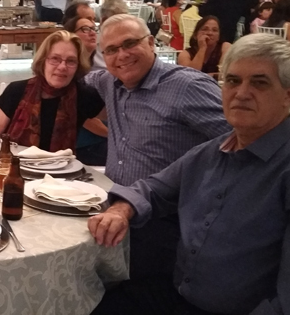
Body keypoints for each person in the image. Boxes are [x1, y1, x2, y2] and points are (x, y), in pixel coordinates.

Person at [82, 33, 290, 315]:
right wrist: (122, 208)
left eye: (259, 82)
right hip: (183, 302)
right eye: (232, 81)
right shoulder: (214, 150)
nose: (241, 92)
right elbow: (155, 187)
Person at [85, 14, 231, 278]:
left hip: (167, 223)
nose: (122, 55)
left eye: (130, 44)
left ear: (151, 43)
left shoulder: (187, 86)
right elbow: (67, 81)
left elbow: (240, 139)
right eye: (112, 50)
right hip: (116, 211)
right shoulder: (110, 82)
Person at [0, 30, 104, 152]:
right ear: (43, 60)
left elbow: (115, 119)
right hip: (14, 162)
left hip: (62, 164)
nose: (62, 67)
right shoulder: (16, 91)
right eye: (55, 59)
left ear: (78, 65)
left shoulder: (83, 95)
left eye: (71, 61)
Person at [64, 16, 108, 165]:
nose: (92, 33)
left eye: (94, 29)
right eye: (85, 29)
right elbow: (87, 119)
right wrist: (117, 137)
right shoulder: (69, 70)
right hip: (84, 146)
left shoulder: (90, 68)